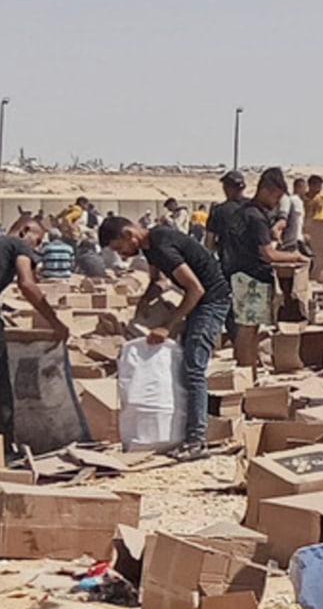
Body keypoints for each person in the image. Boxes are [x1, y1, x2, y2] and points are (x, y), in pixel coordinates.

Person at [99, 215, 231, 459]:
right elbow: (158, 281)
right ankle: (185, 429)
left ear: (129, 234)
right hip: (197, 300)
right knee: (183, 364)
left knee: (193, 367)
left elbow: (196, 289)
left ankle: (196, 439)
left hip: (211, 301)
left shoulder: (162, 245)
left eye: (121, 248)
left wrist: (168, 326)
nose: (124, 255)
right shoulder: (151, 248)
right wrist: (142, 310)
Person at [0, 221, 68, 464]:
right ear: (26, 231)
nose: (37, 248)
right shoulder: (18, 244)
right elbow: (27, 284)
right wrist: (55, 322)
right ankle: (5, 447)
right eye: (38, 240)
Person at [222, 167, 303, 368]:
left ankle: (244, 370)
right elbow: (268, 253)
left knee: (245, 328)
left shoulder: (243, 211)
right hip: (252, 278)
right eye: (276, 196)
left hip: (238, 273)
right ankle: (245, 371)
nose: (277, 202)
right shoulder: (256, 218)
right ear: (266, 190)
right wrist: (296, 257)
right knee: (248, 330)